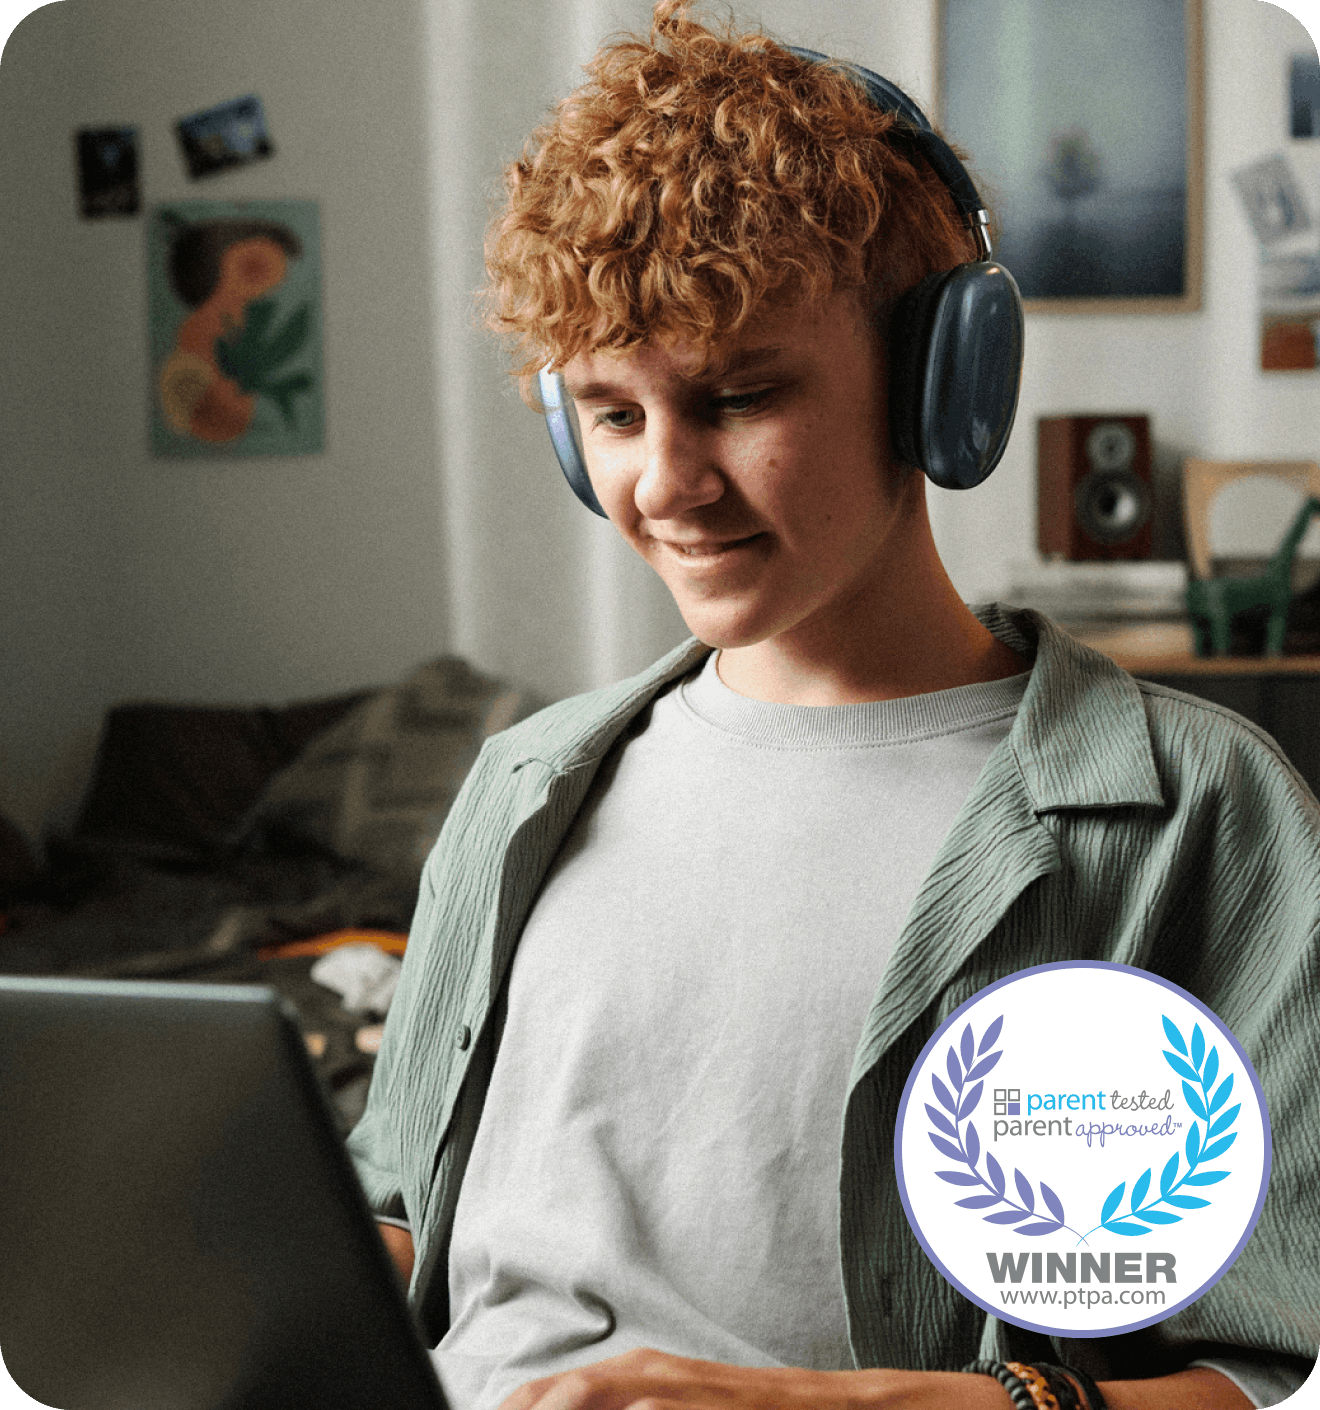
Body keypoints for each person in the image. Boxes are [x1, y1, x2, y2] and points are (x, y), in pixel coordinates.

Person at [348, 4, 1320, 1408]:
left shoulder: (1197, 817)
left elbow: (1271, 1365)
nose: (666, 486)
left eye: (738, 396)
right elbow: (400, 1205)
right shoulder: (520, 786)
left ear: (946, 385)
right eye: (612, 415)